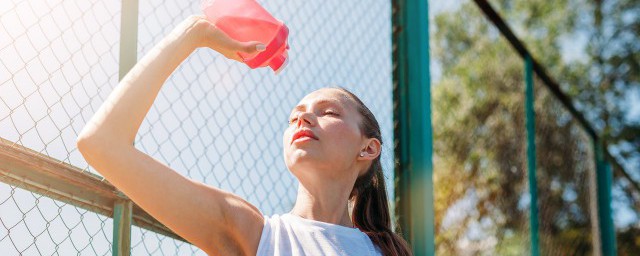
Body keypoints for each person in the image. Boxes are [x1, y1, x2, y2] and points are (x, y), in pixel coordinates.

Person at [76, 15, 411, 256]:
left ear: (368, 149)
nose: (304, 117)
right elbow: (101, 143)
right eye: (294, 116)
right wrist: (194, 33)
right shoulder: (253, 233)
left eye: (329, 112)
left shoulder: (389, 250)